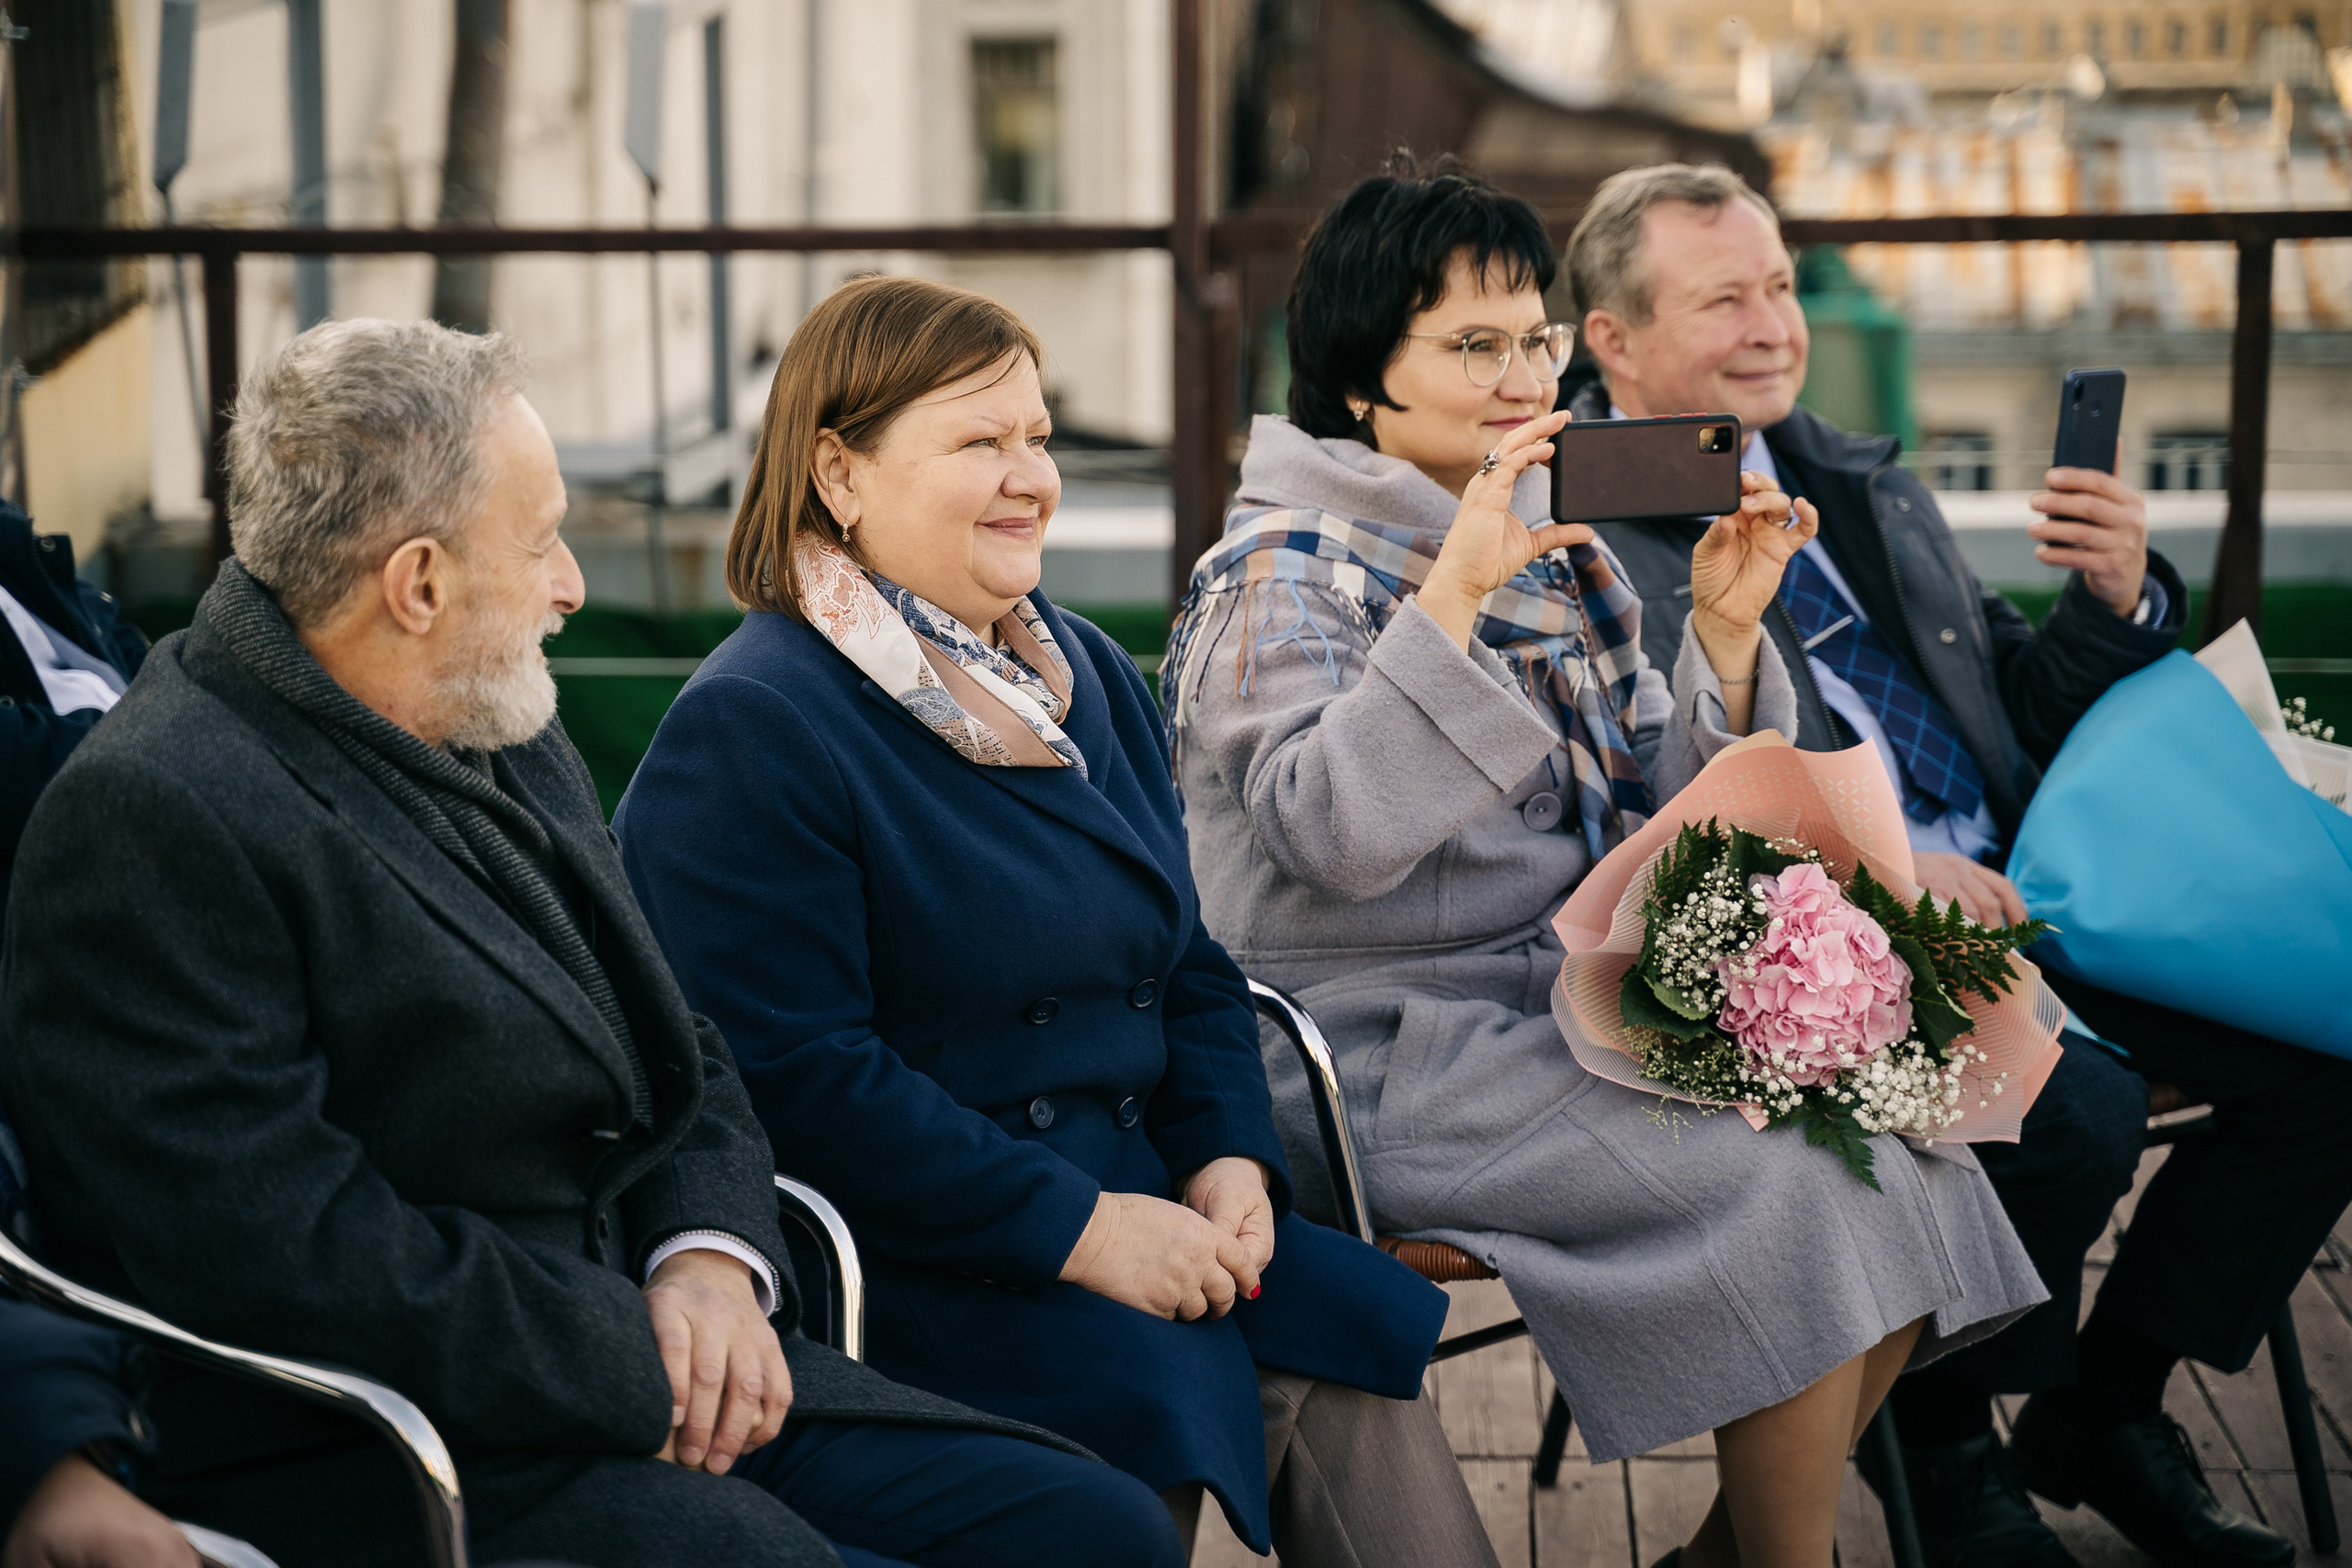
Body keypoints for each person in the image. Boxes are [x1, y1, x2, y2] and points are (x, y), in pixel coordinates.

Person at [0, 318, 1182, 1568]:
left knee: (1096, 1527)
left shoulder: (489, 703)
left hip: (664, 1355)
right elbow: (289, 1248)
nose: (571, 583)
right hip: (412, 1434)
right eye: (543, 539)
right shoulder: (158, 810)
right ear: (417, 582)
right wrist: (639, 1347)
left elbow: (682, 1037)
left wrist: (714, 1260)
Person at [1161, 154, 2050, 1568]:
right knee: (1805, 1184)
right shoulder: (1278, 573)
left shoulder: (1545, 539)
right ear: (1353, 382)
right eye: (1471, 345)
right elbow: (1329, 832)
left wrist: (1727, 633)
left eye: (1535, 338)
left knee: (1907, 1142)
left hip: (1555, 1004)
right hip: (1369, 1047)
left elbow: (1665, 819)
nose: (1523, 378)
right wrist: (1448, 592)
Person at [613, 275, 1495, 1567]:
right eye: (980, 441)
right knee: (1179, 1376)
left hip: (1148, 1203)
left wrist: (1231, 1161)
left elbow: (1187, 965)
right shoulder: (757, 721)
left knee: (1347, 1334)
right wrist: (1087, 1234)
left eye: (1037, 436)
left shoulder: (1071, 670)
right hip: (937, 1262)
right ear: (838, 472)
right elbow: (797, 1080)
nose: (1031, 474)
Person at [1566, 161, 2352, 1568]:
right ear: (1612, 339)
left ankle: (2104, 1410)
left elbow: (2009, 704)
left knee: (2325, 1061)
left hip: (2033, 888)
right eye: (1723, 298)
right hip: (1808, 929)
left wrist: (2115, 600)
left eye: (1782, 285)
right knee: (2079, 1109)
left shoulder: (1845, 471)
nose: (1771, 323)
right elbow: (1640, 798)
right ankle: (1938, 1444)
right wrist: (1886, 863)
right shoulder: (1582, 523)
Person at [0, 499, 146, 904]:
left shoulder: (7, 533)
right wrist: (156, 740)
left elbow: (105, 623)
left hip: (133, 748)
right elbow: (19, 763)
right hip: (73, 863)